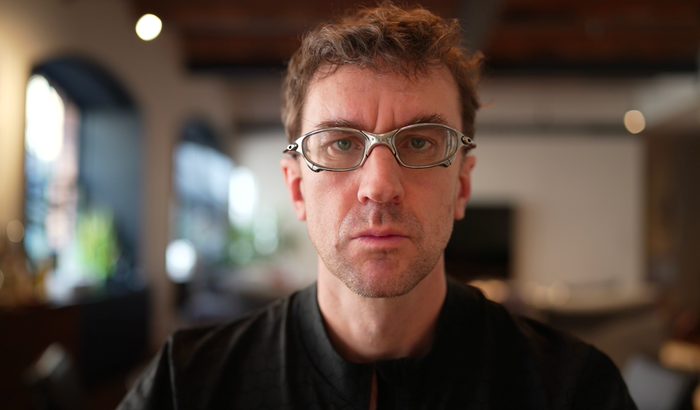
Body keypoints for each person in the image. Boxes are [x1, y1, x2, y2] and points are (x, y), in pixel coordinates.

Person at [118, 4, 637, 409]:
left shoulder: (572, 390)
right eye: (341, 143)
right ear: (296, 188)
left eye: (419, 143)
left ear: (461, 186)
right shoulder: (188, 385)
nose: (379, 186)